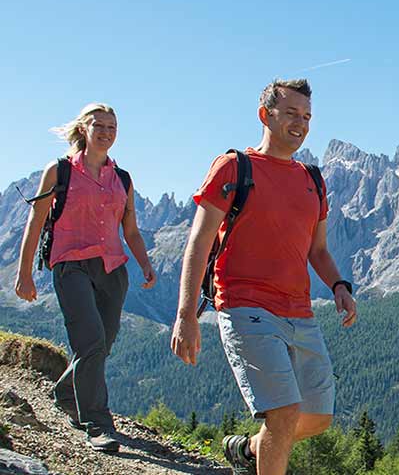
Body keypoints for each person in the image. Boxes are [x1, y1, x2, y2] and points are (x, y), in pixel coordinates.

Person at [170, 78, 357, 475]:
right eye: (290, 113)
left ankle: (251, 449)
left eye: (306, 116)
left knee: (318, 415)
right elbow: (199, 241)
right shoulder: (235, 167)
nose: (300, 123)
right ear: (265, 115)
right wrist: (186, 315)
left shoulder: (313, 180)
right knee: (285, 411)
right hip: (245, 306)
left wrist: (339, 286)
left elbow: (318, 250)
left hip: (299, 312)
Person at [15, 103, 156, 452]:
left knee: (102, 344)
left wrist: (146, 263)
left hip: (112, 269)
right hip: (70, 265)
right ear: (84, 128)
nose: (107, 132)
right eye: (100, 126)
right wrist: (24, 274)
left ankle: (65, 391)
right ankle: (97, 423)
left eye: (112, 126)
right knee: (90, 340)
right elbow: (35, 222)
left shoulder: (121, 178)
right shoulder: (60, 171)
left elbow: (132, 231)